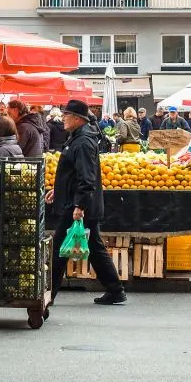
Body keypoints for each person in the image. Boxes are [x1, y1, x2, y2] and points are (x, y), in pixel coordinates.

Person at [45, 99, 126, 306]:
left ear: (77, 119)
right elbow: (74, 173)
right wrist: (59, 188)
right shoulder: (77, 138)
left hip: (79, 205)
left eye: (66, 115)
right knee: (94, 247)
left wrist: (79, 206)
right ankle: (115, 290)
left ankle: (48, 293)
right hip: (77, 202)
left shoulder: (83, 142)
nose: (62, 118)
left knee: (60, 248)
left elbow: (87, 177)